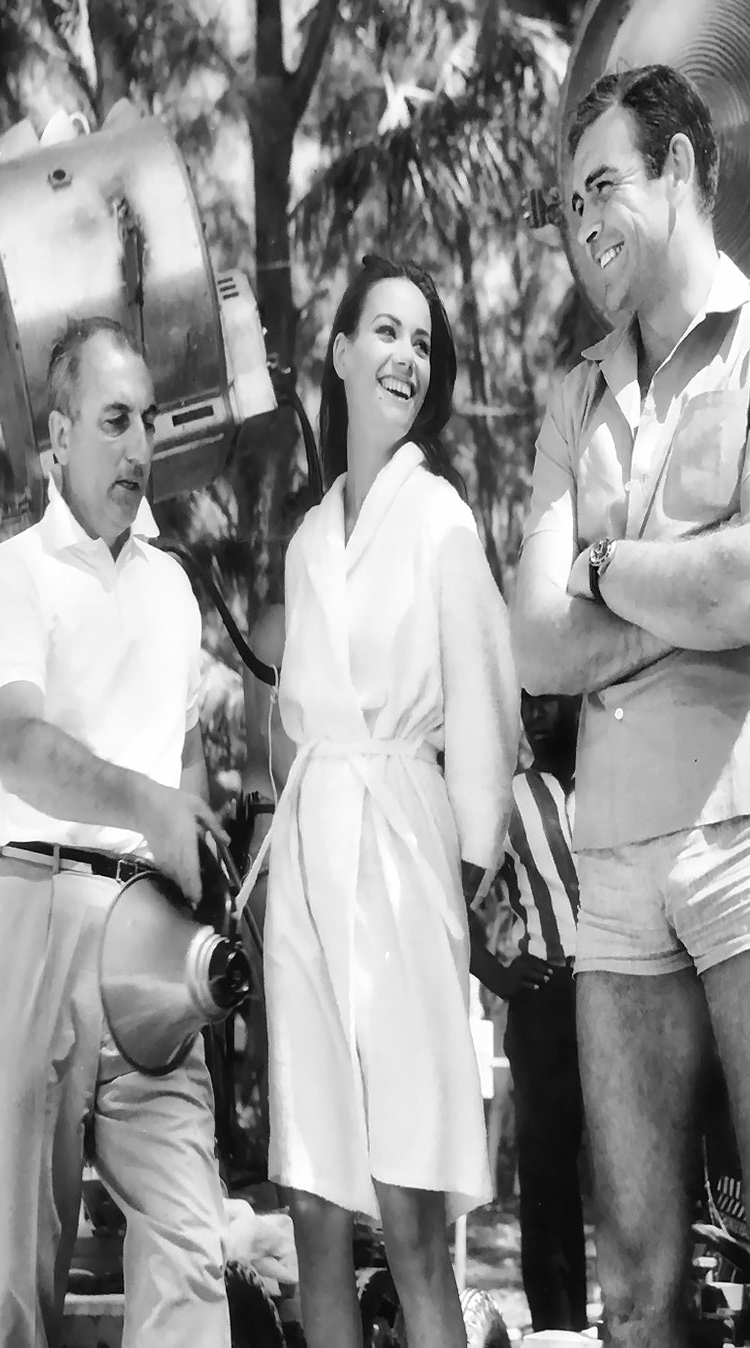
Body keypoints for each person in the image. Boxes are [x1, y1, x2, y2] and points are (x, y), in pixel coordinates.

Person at [509, 65, 750, 1348]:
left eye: (602, 184)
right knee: (635, 1290)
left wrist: (602, 567)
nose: (581, 222)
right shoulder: (571, 395)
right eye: (566, 203)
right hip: (612, 875)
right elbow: (532, 643)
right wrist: (692, 597)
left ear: (680, 173)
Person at [252, 254, 520, 1348]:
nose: (407, 354)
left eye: (422, 340)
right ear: (340, 352)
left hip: (405, 862)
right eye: (387, 331)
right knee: (315, 1208)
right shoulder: (307, 541)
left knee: (410, 1220)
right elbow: (290, 732)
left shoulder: (441, 518)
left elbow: (487, 709)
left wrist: (457, 875)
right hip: (309, 873)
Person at [0, 316, 235, 1348]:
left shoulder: (173, 588)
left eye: (149, 422)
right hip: (31, 910)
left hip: (150, 932)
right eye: (114, 420)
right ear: (58, 439)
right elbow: (20, 747)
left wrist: (193, 857)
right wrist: (149, 806)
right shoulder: (14, 572)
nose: (139, 446)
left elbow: (180, 764)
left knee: (190, 1245)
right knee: (14, 1275)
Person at [469, 692, 588, 1335]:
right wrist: (498, 973)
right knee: (548, 1182)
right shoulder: (511, 799)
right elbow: (451, 896)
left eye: (548, 697)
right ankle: (558, 1331)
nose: (536, 712)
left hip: (629, 992)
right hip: (548, 1001)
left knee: (638, 1172)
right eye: (524, 701)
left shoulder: (614, 775)